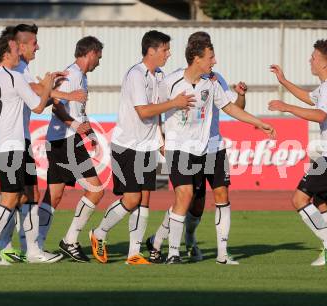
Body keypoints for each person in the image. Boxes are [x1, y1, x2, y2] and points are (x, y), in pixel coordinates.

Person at [154, 32, 275, 264]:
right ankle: (171, 252)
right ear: (197, 58)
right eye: (211, 56)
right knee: (186, 197)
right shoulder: (170, 82)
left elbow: (230, 108)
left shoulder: (212, 81)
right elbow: (154, 110)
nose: (215, 61)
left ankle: (222, 254)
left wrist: (259, 123)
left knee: (221, 195)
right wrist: (160, 140)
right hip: (180, 148)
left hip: (212, 148)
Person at [89, 30, 194, 264]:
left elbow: (156, 117)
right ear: (152, 50)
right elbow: (143, 111)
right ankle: (99, 233)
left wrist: (161, 143)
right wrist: (175, 103)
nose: (169, 54)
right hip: (127, 145)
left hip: (147, 146)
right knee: (132, 198)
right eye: (165, 49)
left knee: (144, 198)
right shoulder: (136, 75)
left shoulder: (159, 76)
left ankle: (134, 255)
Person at [268, 39, 327, 266]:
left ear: (324, 63)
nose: (310, 60)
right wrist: (284, 81)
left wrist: (286, 107)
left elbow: (319, 115)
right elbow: (310, 98)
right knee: (321, 202)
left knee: (299, 199)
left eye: (314, 57)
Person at [0, 34, 57, 265]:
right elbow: (38, 106)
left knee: (17, 195)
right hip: (11, 145)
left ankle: (0, 249)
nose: (19, 52)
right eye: (14, 49)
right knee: (10, 197)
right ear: (6, 54)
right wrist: (48, 85)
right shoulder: (15, 77)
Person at [38, 36, 104, 263]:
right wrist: (76, 126)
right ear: (91, 53)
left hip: (66, 140)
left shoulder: (81, 77)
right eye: (99, 57)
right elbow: (56, 106)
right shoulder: (72, 75)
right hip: (64, 140)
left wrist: (89, 132)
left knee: (54, 195)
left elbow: (77, 110)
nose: (99, 62)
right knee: (96, 190)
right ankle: (69, 240)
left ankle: (35, 244)